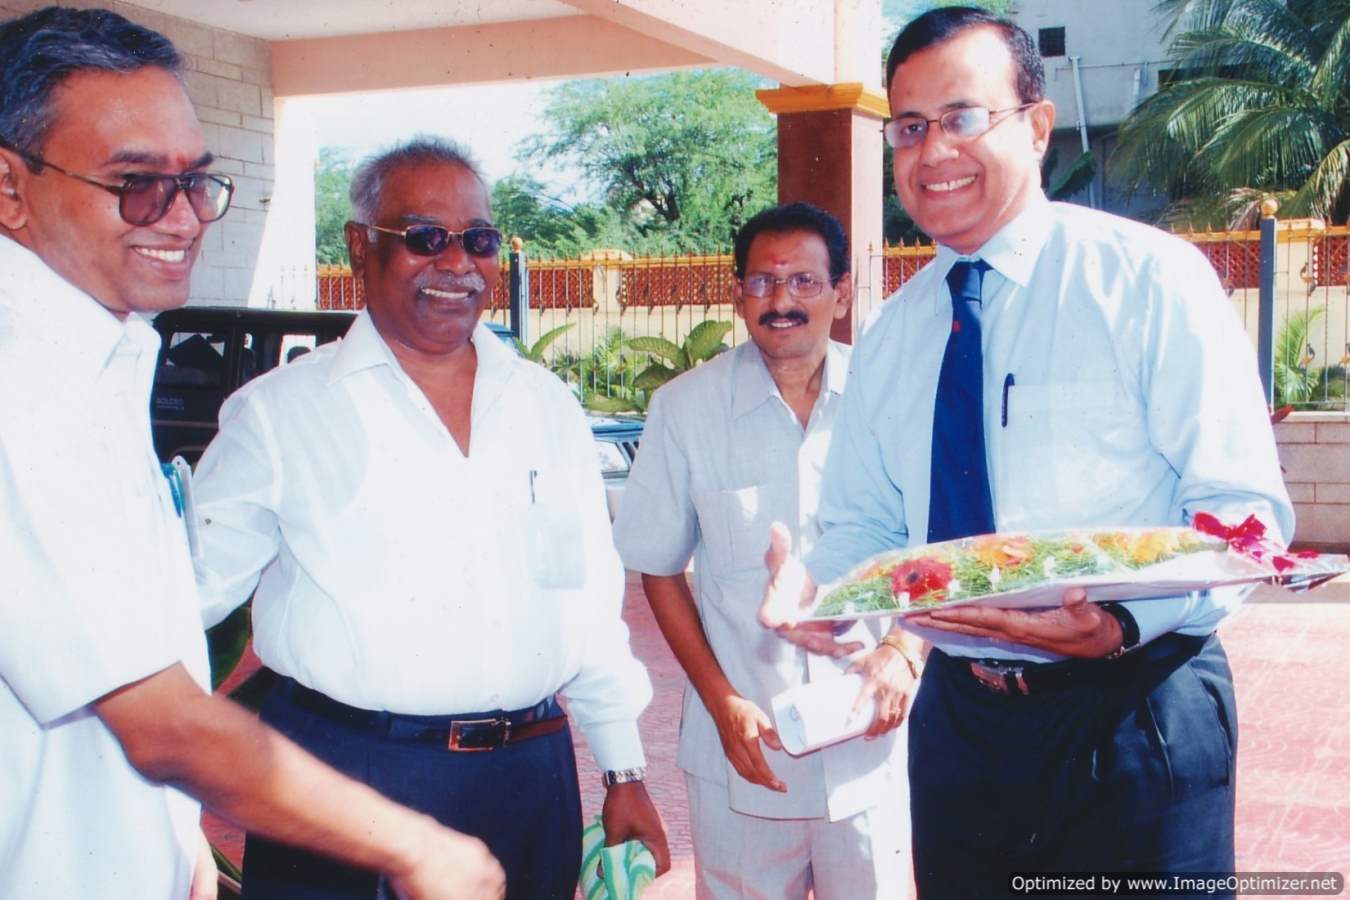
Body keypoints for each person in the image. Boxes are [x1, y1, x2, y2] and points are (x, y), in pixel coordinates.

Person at [759, 7, 1292, 898]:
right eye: (910, 128)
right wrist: (819, 588)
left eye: (963, 117)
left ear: (1037, 127)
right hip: (962, 727)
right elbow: (870, 524)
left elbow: (1244, 514)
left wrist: (1121, 624)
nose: (934, 152)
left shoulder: (1147, 280)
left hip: (1136, 710)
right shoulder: (893, 336)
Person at [0, 8, 504, 900]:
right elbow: (162, 723)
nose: (183, 217)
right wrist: (416, 846)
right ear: (11, 188)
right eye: (137, 183)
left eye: (196, 180)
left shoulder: (103, 355)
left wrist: (179, 842)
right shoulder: (26, 385)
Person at [190, 136, 670, 899]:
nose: (457, 264)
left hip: (529, 783)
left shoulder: (545, 405)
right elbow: (182, 609)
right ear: (360, 247)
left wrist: (623, 768)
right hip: (344, 785)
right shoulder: (278, 415)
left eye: (478, 240)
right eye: (424, 237)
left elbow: (588, 603)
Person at [614, 203, 914, 897]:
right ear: (738, 294)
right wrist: (721, 701)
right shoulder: (686, 409)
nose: (782, 301)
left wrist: (905, 648)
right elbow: (658, 569)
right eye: (762, 282)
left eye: (805, 281)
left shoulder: (891, 401)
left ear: (843, 293)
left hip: (868, 746)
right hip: (742, 753)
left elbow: (931, 549)